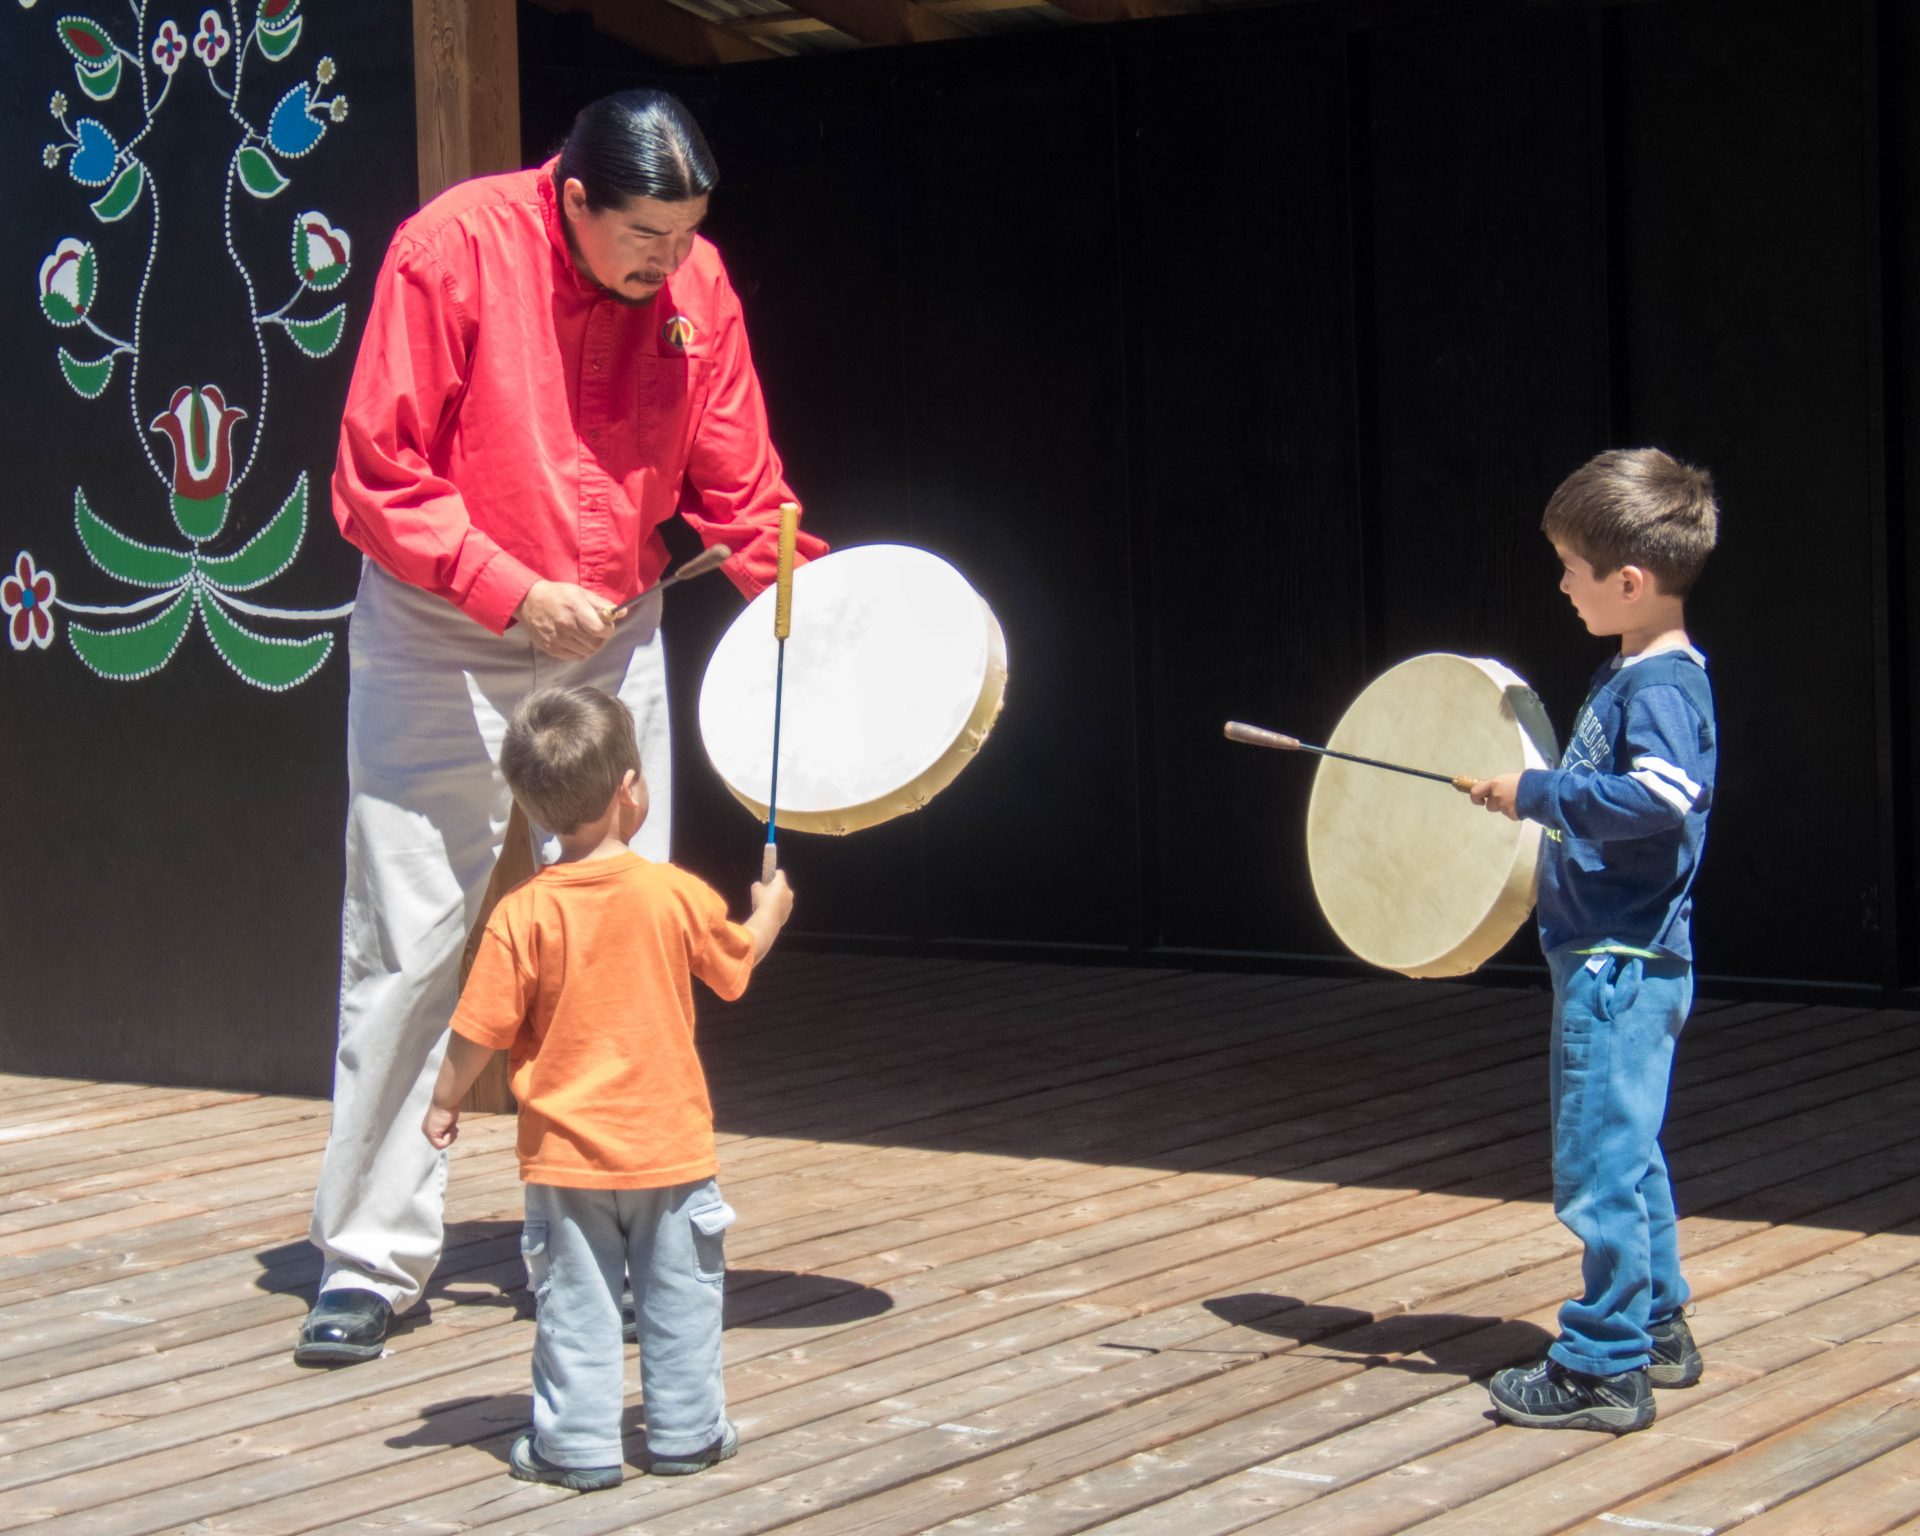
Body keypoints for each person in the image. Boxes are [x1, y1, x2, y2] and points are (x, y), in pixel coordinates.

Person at [298, 87, 824, 1364]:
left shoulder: (698, 284)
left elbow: (746, 491)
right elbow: (377, 480)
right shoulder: (452, 248)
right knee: (414, 939)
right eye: (644, 235)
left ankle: (628, 1237)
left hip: (611, 629)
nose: (668, 262)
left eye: (689, 234)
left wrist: (827, 608)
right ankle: (369, 1258)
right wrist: (507, 591)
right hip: (444, 623)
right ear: (571, 198)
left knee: (619, 935)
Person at [423, 685, 792, 1487]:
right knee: (682, 1305)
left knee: (575, 1313)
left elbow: (476, 1028)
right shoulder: (674, 893)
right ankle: (688, 1434)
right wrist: (769, 914)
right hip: (671, 1151)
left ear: (531, 807)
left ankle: (576, 1448)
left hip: (563, 1164)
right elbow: (733, 971)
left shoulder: (522, 913)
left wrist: (443, 1101)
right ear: (632, 790)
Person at [1468, 448, 1719, 1434]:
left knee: (1598, 1165)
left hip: (1618, 965)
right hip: (1621, 957)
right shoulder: (1637, 672)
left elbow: (1662, 800)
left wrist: (1535, 794)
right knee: (1631, 1150)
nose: (1562, 584)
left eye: (1572, 568)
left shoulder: (1659, 688)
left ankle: (1604, 1364)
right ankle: (1656, 1325)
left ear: (1630, 581)